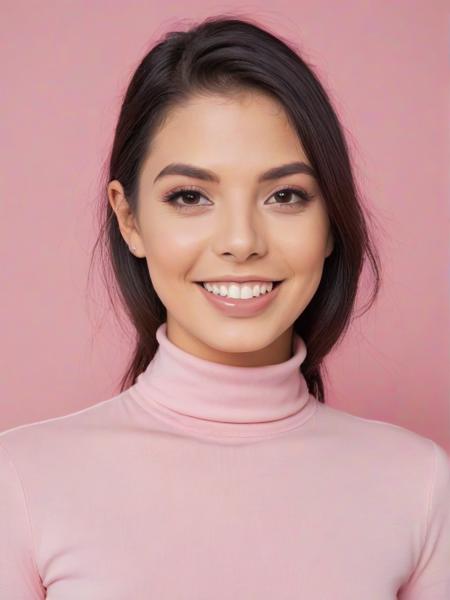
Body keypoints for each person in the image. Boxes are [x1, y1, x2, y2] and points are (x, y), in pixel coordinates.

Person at [1, 14, 449, 599]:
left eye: (286, 195)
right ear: (130, 218)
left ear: (331, 220)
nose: (241, 241)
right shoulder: (20, 483)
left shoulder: (419, 485)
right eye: (190, 197)